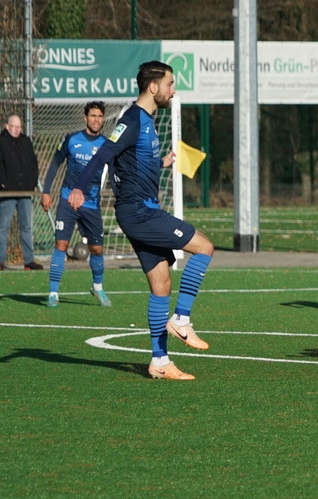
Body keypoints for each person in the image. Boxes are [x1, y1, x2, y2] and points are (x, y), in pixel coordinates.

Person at [68, 61, 214, 381]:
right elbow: (104, 154)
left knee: (161, 284)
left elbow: (134, 163)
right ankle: (182, 319)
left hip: (143, 209)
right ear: (153, 86)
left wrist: (162, 163)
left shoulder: (148, 120)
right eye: (170, 84)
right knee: (204, 247)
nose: (173, 90)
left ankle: (160, 362)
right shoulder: (132, 119)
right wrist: (79, 187)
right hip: (138, 212)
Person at [41, 101, 113, 307]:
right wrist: (46, 192)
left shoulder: (107, 145)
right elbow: (55, 163)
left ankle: (97, 287)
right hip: (67, 200)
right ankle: (53, 293)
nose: (96, 120)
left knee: (97, 249)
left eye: (100, 116)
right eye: (93, 116)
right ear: (85, 118)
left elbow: (115, 172)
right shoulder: (72, 139)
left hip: (91, 203)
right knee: (61, 245)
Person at [0, 114, 44, 271]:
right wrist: (3, 184)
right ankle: (0, 261)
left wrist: (31, 183)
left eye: (19, 127)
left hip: (25, 191)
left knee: (26, 227)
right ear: (7, 126)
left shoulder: (26, 142)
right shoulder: (2, 142)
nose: (16, 130)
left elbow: (33, 164)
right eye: (13, 126)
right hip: (7, 193)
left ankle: (29, 261)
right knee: (3, 227)